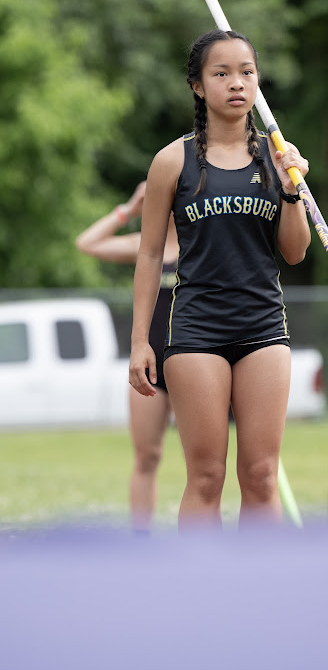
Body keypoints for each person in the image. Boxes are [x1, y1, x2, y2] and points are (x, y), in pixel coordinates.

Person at [128, 29, 311, 527]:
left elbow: (294, 253)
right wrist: (140, 341)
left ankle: (262, 596)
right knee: (207, 477)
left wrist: (293, 190)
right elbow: (148, 255)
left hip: (263, 328)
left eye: (247, 72)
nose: (237, 83)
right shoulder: (173, 160)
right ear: (197, 86)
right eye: (222, 73)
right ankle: (199, 596)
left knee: (261, 475)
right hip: (196, 332)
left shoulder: (277, 160)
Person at [76, 181, 179, 531]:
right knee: (147, 456)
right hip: (149, 366)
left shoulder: (201, 246)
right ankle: (141, 540)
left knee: (206, 461)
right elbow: (87, 243)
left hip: (194, 362)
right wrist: (128, 209)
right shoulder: (145, 246)